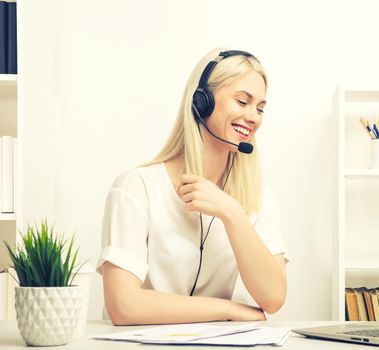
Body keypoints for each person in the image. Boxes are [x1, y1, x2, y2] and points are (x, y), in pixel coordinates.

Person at [96, 48, 288, 326]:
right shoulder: (136, 187)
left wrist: (231, 212)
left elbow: (273, 298)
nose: (253, 117)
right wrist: (229, 309)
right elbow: (123, 306)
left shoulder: (256, 195)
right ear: (202, 102)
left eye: (260, 108)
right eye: (242, 101)